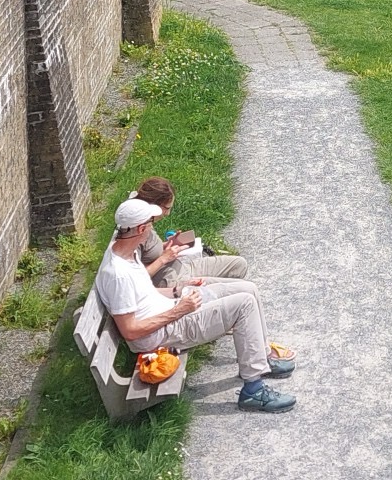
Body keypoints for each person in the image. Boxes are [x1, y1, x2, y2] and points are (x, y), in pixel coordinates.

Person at [96, 198, 297, 413]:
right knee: (244, 305)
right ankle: (253, 391)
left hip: (172, 307)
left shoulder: (127, 253)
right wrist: (179, 310)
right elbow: (130, 330)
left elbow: (143, 294)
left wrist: (178, 290)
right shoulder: (118, 275)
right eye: (151, 224)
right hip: (162, 332)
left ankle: (261, 357)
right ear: (141, 228)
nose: (152, 229)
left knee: (249, 289)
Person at [132, 177, 251, 287]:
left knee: (239, 264)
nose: (168, 214)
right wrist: (163, 259)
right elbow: (135, 279)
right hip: (171, 280)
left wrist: (168, 244)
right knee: (244, 287)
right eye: (167, 208)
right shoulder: (135, 232)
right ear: (154, 204)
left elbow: (149, 251)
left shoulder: (147, 219)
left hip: (181, 267)